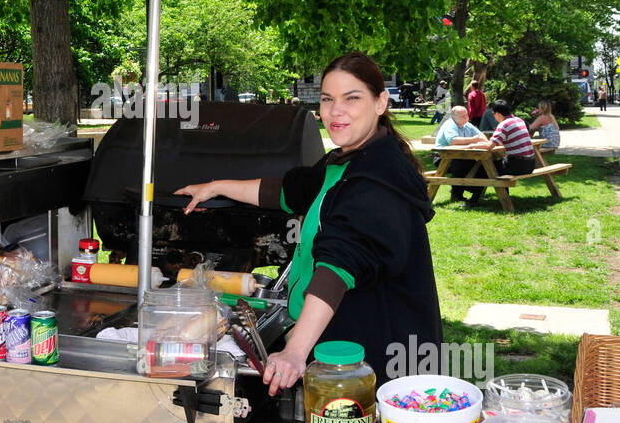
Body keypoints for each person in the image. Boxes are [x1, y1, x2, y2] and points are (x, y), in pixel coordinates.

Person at [174, 52, 442, 394]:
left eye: (352, 98)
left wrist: (295, 352)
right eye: (328, 99)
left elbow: (337, 267)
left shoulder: (377, 180)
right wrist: (215, 187)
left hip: (379, 362)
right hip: (347, 345)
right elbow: (290, 191)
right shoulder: (347, 161)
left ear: (380, 103)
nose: (335, 111)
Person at [463, 99, 536, 208]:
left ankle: (473, 200)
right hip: (530, 164)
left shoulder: (503, 124)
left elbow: (489, 146)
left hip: (519, 165)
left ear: (497, 113)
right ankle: (504, 196)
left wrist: (471, 146)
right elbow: (501, 142)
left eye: (493, 114)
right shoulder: (519, 120)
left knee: (486, 167)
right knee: (495, 166)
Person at [434, 105, 484, 203]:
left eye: (466, 115)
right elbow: (453, 140)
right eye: (463, 116)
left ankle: (469, 191)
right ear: (454, 117)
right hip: (443, 158)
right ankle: (463, 192)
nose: (466, 118)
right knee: (462, 165)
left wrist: (482, 141)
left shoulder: (467, 125)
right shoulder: (450, 125)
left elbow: (481, 135)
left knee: (480, 164)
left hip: (462, 156)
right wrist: (474, 140)